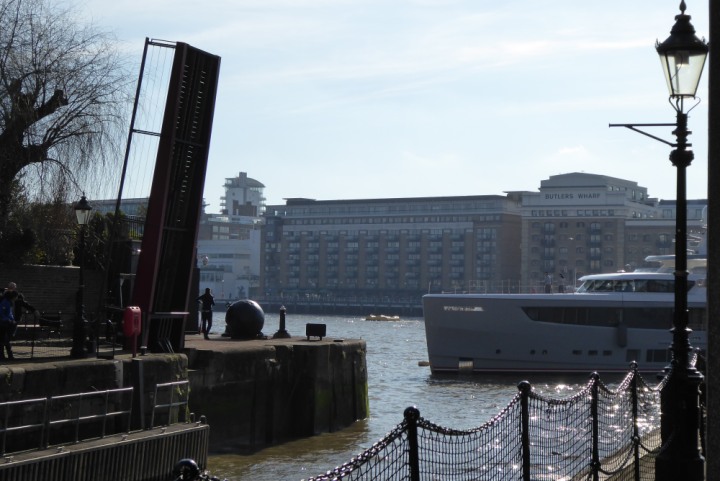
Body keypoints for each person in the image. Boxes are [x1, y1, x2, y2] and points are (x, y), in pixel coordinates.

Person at [0, 290, 18, 360]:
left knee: (5, 340)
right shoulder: (6, 302)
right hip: (4, 324)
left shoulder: (9, 302)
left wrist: (12, 320)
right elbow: (2, 313)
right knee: (4, 340)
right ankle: (7, 356)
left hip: (7, 323)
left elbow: (9, 313)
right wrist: (9, 319)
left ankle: (5, 356)